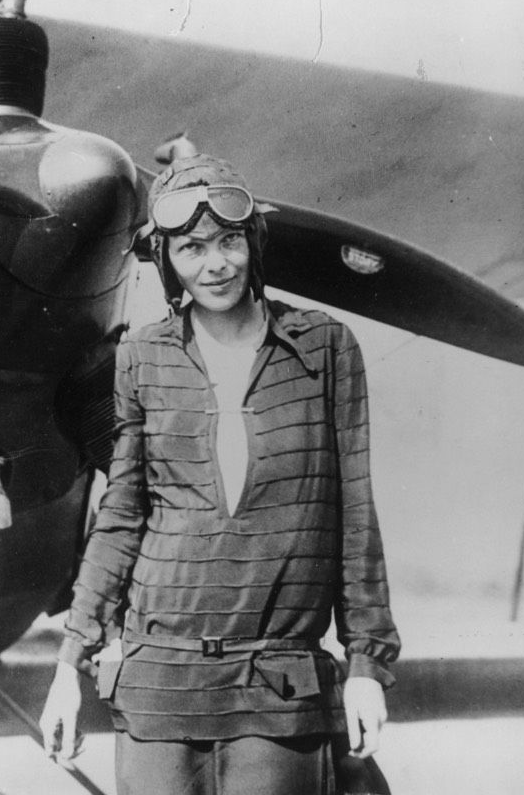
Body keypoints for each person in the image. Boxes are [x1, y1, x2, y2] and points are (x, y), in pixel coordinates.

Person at [39, 154, 401, 794]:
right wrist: (71, 663)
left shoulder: (324, 348)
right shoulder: (141, 356)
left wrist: (367, 665)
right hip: (158, 683)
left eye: (230, 241)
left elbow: (354, 517)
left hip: (278, 678)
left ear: (253, 242)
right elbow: (121, 518)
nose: (216, 264)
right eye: (192, 248)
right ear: (167, 260)